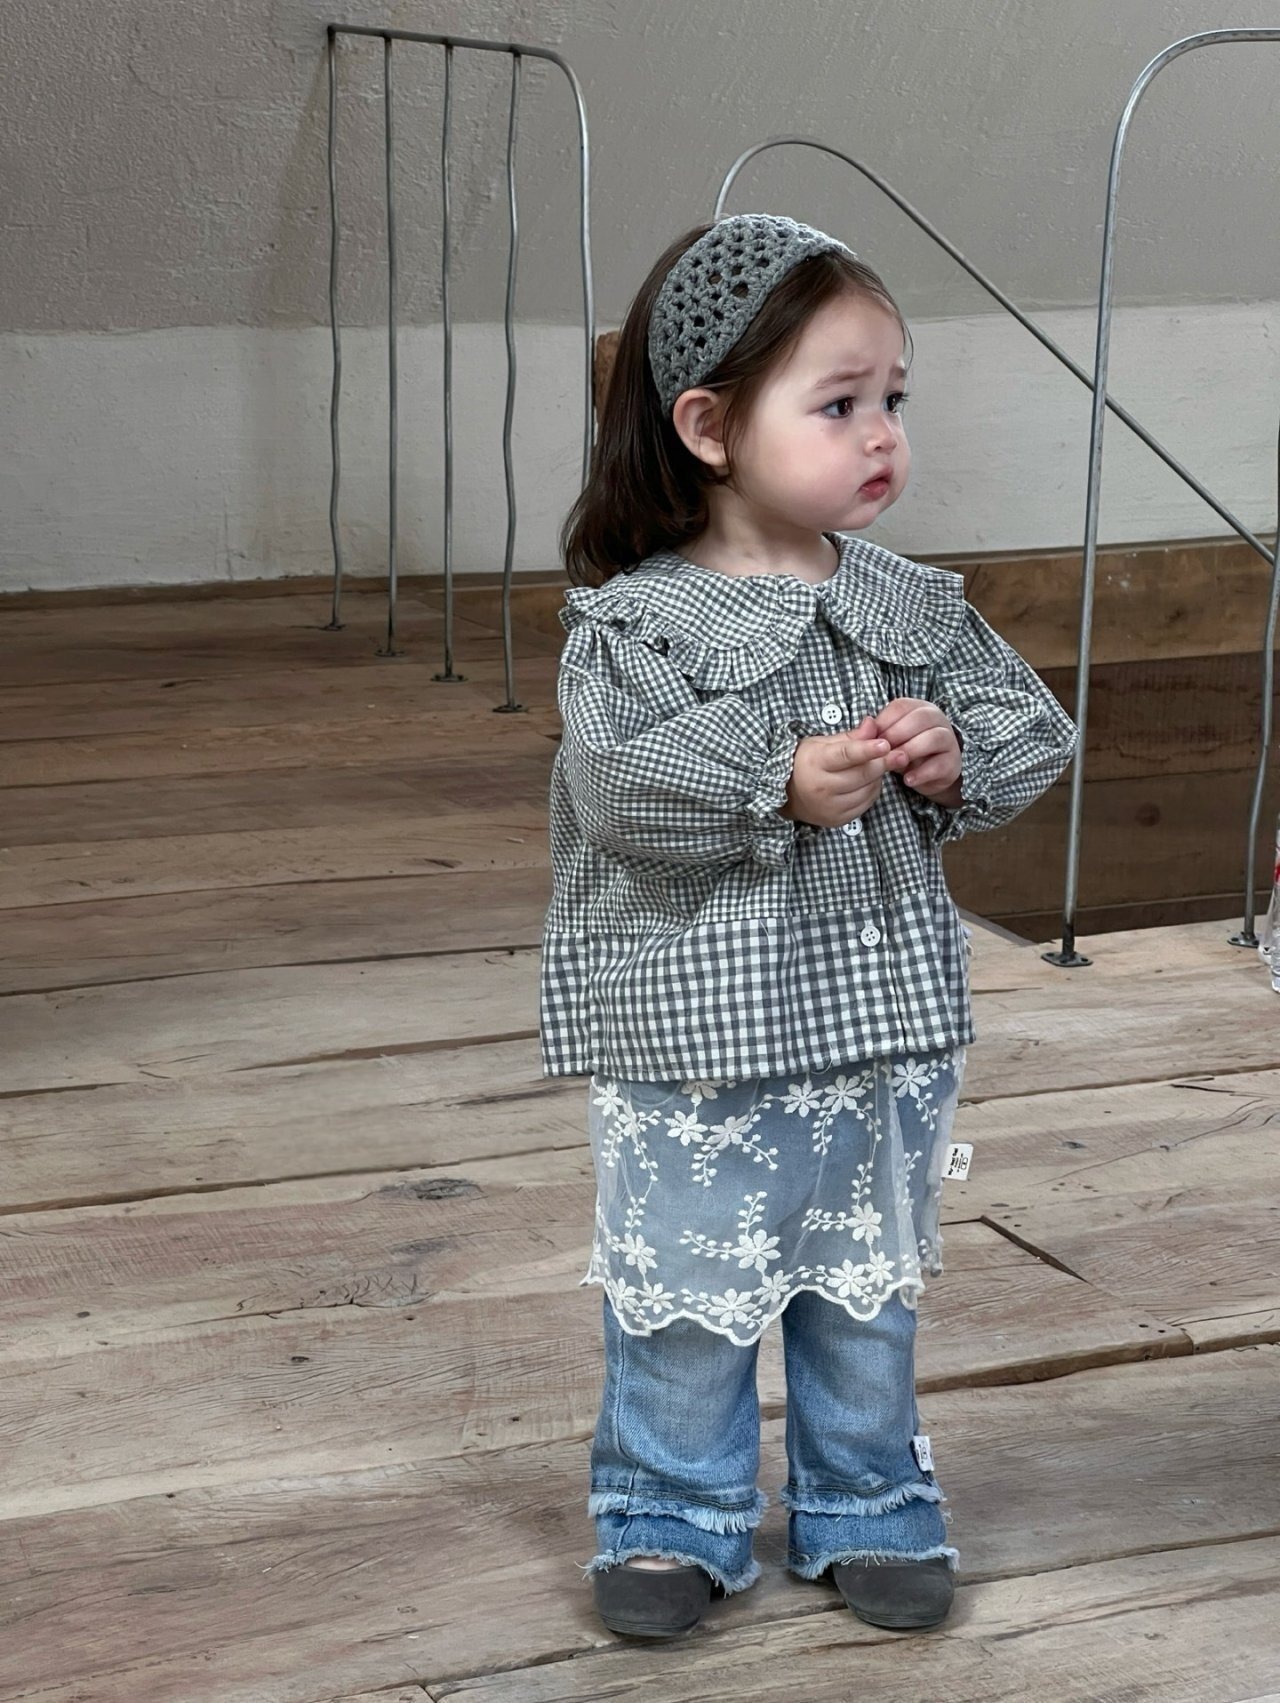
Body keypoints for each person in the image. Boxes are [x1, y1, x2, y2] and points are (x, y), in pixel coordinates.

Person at [538, 213, 1078, 1641]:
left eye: (893, 397)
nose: (882, 433)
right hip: (698, 1040)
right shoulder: (638, 629)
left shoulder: (910, 607)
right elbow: (614, 790)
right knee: (687, 1293)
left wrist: (954, 754)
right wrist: (769, 778)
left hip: (874, 1034)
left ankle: (867, 1501)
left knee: (863, 1286)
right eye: (840, 404)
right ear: (710, 426)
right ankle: (670, 1515)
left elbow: (1033, 729)